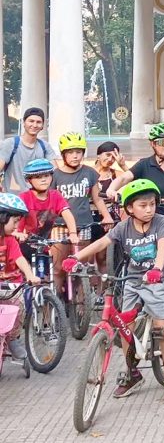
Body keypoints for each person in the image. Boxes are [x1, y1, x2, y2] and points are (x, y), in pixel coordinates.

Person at [63, 179, 164, 405]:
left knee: (160, 327)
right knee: (127, 328)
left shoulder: (161, 222)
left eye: (152, 204)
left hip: (158, 281)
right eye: (142, 205)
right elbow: (100, 244)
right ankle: (132, 373)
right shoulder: (122, 228)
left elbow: (163, 246)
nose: (149, 210)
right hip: (133, 280)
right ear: (129, 208)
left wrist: (156, 269)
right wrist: (75, 257)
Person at [105, 124, 164, 335]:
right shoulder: (144, 165)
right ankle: (148, 313)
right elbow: (124, 178)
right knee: (142, 264)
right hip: (146, 224)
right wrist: (112, 189)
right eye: (161, 142)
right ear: (152, 144)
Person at [16, 159, 79, 294]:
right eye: (38, 177)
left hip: (44, 245)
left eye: (46, 175)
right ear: (29, 181)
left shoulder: (55, 195)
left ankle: (54, 304)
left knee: (48, 277)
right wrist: (18, 233)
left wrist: (73, 233)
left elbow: (67, 213)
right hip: (24, 244)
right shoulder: (24, 198)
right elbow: (16, 220)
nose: (43, 180)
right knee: (27, 278)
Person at [0, 193, 42, 362]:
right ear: (2, 219)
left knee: (19, 307)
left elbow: (19, 259)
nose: (17, 226)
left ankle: (13, 339)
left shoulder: (10, 241)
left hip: (10, 285)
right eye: (15, 221)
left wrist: (30, 275)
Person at [52, 132, 114, 245]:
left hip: (84, 223)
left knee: (81, 260)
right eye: (70, 152)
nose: (75, 156)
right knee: (59, 261)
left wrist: (107, 216)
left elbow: (97, 198)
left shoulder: (89, 172)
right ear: (63, 155)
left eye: (78, 152)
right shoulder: (55, 175)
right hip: (60, 224)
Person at [0, 107, 56, 193]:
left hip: (37, 200)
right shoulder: (11, 144)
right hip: (14, 200)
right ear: (24, 123)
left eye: (38, 122)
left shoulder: (45, 146)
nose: (34, 125)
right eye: (31, 121)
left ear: (42, 126)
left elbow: (55, 171)